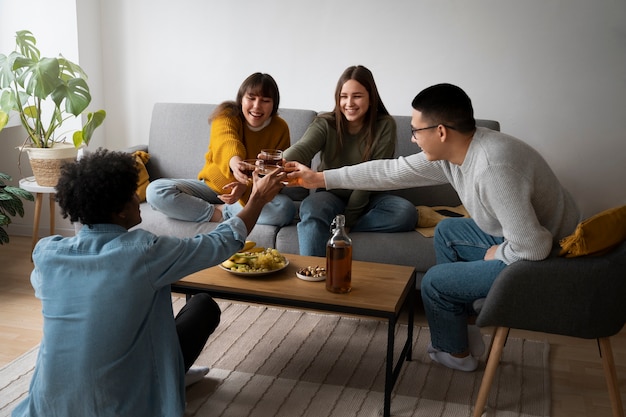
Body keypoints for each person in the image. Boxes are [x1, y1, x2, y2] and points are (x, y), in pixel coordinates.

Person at [284, 83, 581, 371]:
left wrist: (498, 253)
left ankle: (454, 354)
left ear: (440, 131)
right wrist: (320, 179)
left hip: (549, 254)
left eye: (415, 131)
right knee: (448, 232)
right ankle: (462, 335)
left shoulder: (493, 168)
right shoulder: (458, 151)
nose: (412, 138)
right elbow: (390, 171)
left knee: (434, 281)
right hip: (529, 238)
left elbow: (534, 247)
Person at [12, 149, 287, 416]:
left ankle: (172, 372)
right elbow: (222, 242)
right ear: (120, 211)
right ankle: (170, 377)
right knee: (203, 307)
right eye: (133, 194)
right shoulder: (144, 253)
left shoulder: (47, 253)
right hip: (124, 406)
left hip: (49, 408)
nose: (137, 197)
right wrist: (258, 198)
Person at [282, 65, 417, 256]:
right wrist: (278, 162)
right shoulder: (325, 122)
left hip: (370, 196)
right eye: (343, 96)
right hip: (330, 194)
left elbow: (371, 177)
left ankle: (332, 226)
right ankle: (312, 275)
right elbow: (303, 148)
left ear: (371, 98)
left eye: (357, 96)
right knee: (311, 207)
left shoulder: (385, 125)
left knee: (405, 212)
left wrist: (349, 222)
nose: (349, 102)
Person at [146, 72, 296, 227]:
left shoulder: (280, 127)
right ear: (241, 99)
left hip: (252, 194)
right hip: (211, 188)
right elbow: (226, 140)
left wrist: (245, 186)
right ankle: (217, 213)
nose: (257, 106)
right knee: (156, 190)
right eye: (251, 98)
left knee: (284, 210)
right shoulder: (226, 114)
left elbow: (274, 173)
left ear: (274, 105)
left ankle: (227, 210)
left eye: (265, 100)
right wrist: (235, 163)